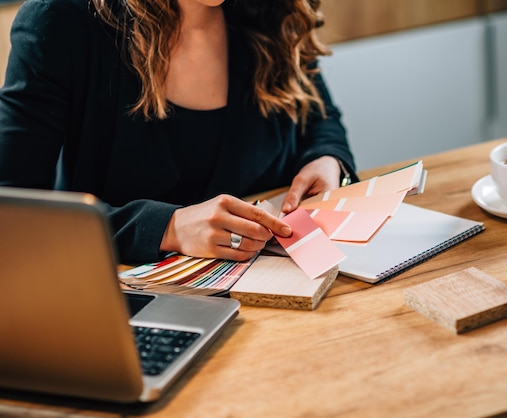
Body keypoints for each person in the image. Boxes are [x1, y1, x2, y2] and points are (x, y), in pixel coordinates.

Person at [0, 0, 357, 264]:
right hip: (127, 305)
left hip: (282, 288)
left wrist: (327, 160)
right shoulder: (59, 21)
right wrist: (166, 228)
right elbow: (12, 211)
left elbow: (319, 118)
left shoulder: (271, 10)